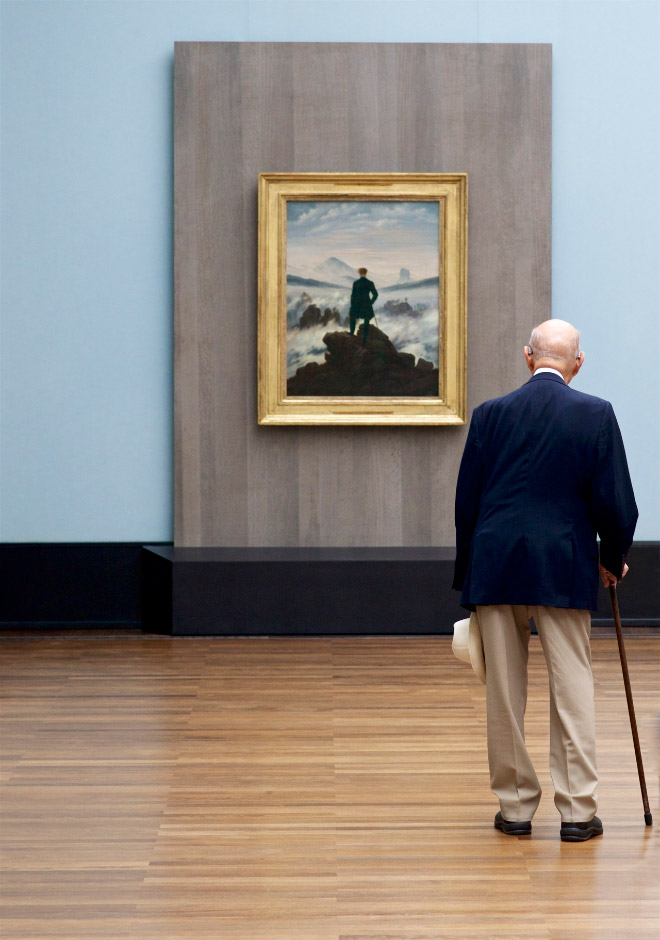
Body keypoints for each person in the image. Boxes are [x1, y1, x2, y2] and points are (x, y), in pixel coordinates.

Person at [452, 319, 637, 842]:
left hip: (498, 562)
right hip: (563, 562)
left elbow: (467, 503)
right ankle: (577, 811)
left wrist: (468, 575)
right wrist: (613, 555)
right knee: (571, 685)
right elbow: (616, 502)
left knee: (504, 693)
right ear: (578, 364)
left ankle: (515, 808)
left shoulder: (490, 415)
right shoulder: (595, 414)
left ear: (528, 357)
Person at [349, 267, 378, 346]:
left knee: (352, 317)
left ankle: (351, 333)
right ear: (366, 273)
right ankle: (364, 342)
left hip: (357, 304)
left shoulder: (356, 283)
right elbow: (375, 294)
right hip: (366, 305)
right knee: (366, 322)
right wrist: (371, 302)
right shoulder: (370, 283)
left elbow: (352, 295)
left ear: (359, 273)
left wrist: (352, 305)